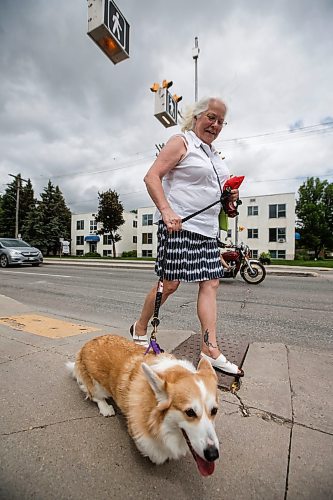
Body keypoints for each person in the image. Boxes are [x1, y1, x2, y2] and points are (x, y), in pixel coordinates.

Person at [130, 96, 244, 377]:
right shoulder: (182, 141)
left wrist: (230, 201)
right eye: (211, 118)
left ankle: (210, 349)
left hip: (206, 230)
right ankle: (140, 327)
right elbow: (152, 176)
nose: (215, 125)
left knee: (211, 283)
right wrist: (166, 210)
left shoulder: (216, 156)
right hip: (178, 225)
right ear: (196, 117)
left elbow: (219, 199)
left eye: (220, 121)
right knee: (170, 284)